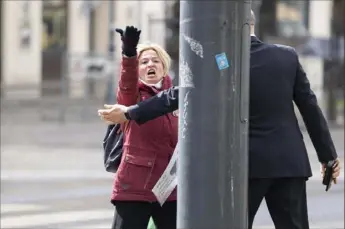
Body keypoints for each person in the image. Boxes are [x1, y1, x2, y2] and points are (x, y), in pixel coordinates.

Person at [99, 13, 342, 229]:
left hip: (244, 167)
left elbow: (179, 94)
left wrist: (131, 112)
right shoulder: (286, 56)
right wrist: (328, 157)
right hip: (289, 163)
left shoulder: (222, 60)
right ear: (252, 25)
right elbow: (310, 108)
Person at [99, 26, 178, 229]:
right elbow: (127, 81)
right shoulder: (132, 97)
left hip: (169, 189)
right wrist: (129, 54)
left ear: (164, 66)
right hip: (134, 187)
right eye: (144, 62)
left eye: (155, 60)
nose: (150, 64)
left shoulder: (176, 98)